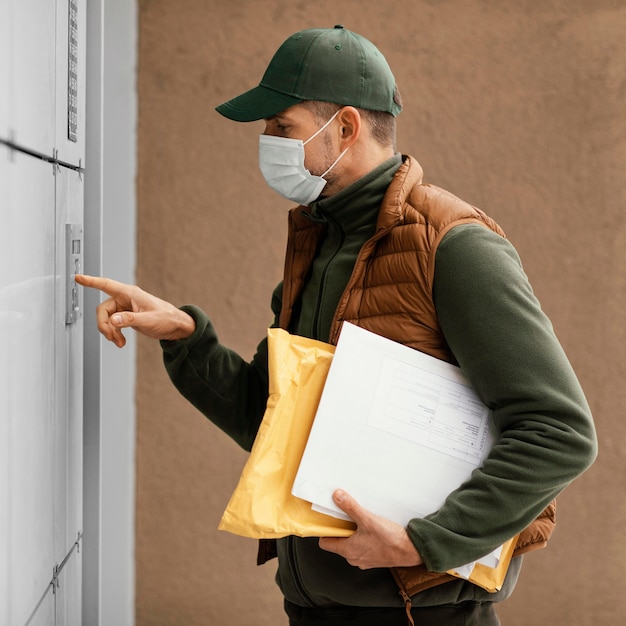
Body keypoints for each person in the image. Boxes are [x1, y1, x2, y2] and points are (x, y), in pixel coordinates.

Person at [77, 25, 597, 626]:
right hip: (313, 608)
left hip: (415, 615)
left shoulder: (453, 246)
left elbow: (558, 430)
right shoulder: (318, 244)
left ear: (345, 127)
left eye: (281, 127)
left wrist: (428, 542)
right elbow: (270, 424)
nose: (268, 143)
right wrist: (185, 340)